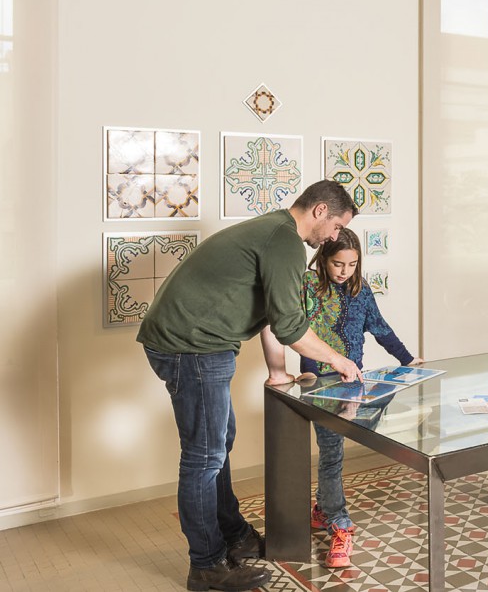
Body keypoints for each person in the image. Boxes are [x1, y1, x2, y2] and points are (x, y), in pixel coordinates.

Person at [137, 180, 362, 592]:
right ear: (319, 211)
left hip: (196, 343)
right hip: (193, 347)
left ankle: (234, 535)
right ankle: (205, 567)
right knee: (204, 457)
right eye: (334, 226)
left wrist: (278, 371)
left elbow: (274, 314)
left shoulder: (274, 232)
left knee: (220, 440)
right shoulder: (285, 240)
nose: (333, 237)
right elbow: (291, 325)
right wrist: (338, 359)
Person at [263, 228, 422, 569]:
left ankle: (323, 509)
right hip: (317, 387)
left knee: (339, 451)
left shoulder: (360, 289)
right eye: (338, 263)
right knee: (332, 454)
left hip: (354, 384)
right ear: (323, 257)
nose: (344, 271)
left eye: (352, 264)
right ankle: (341, 524)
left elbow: (381, 329)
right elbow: (285, 327)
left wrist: (408, 360)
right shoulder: (305, 286)